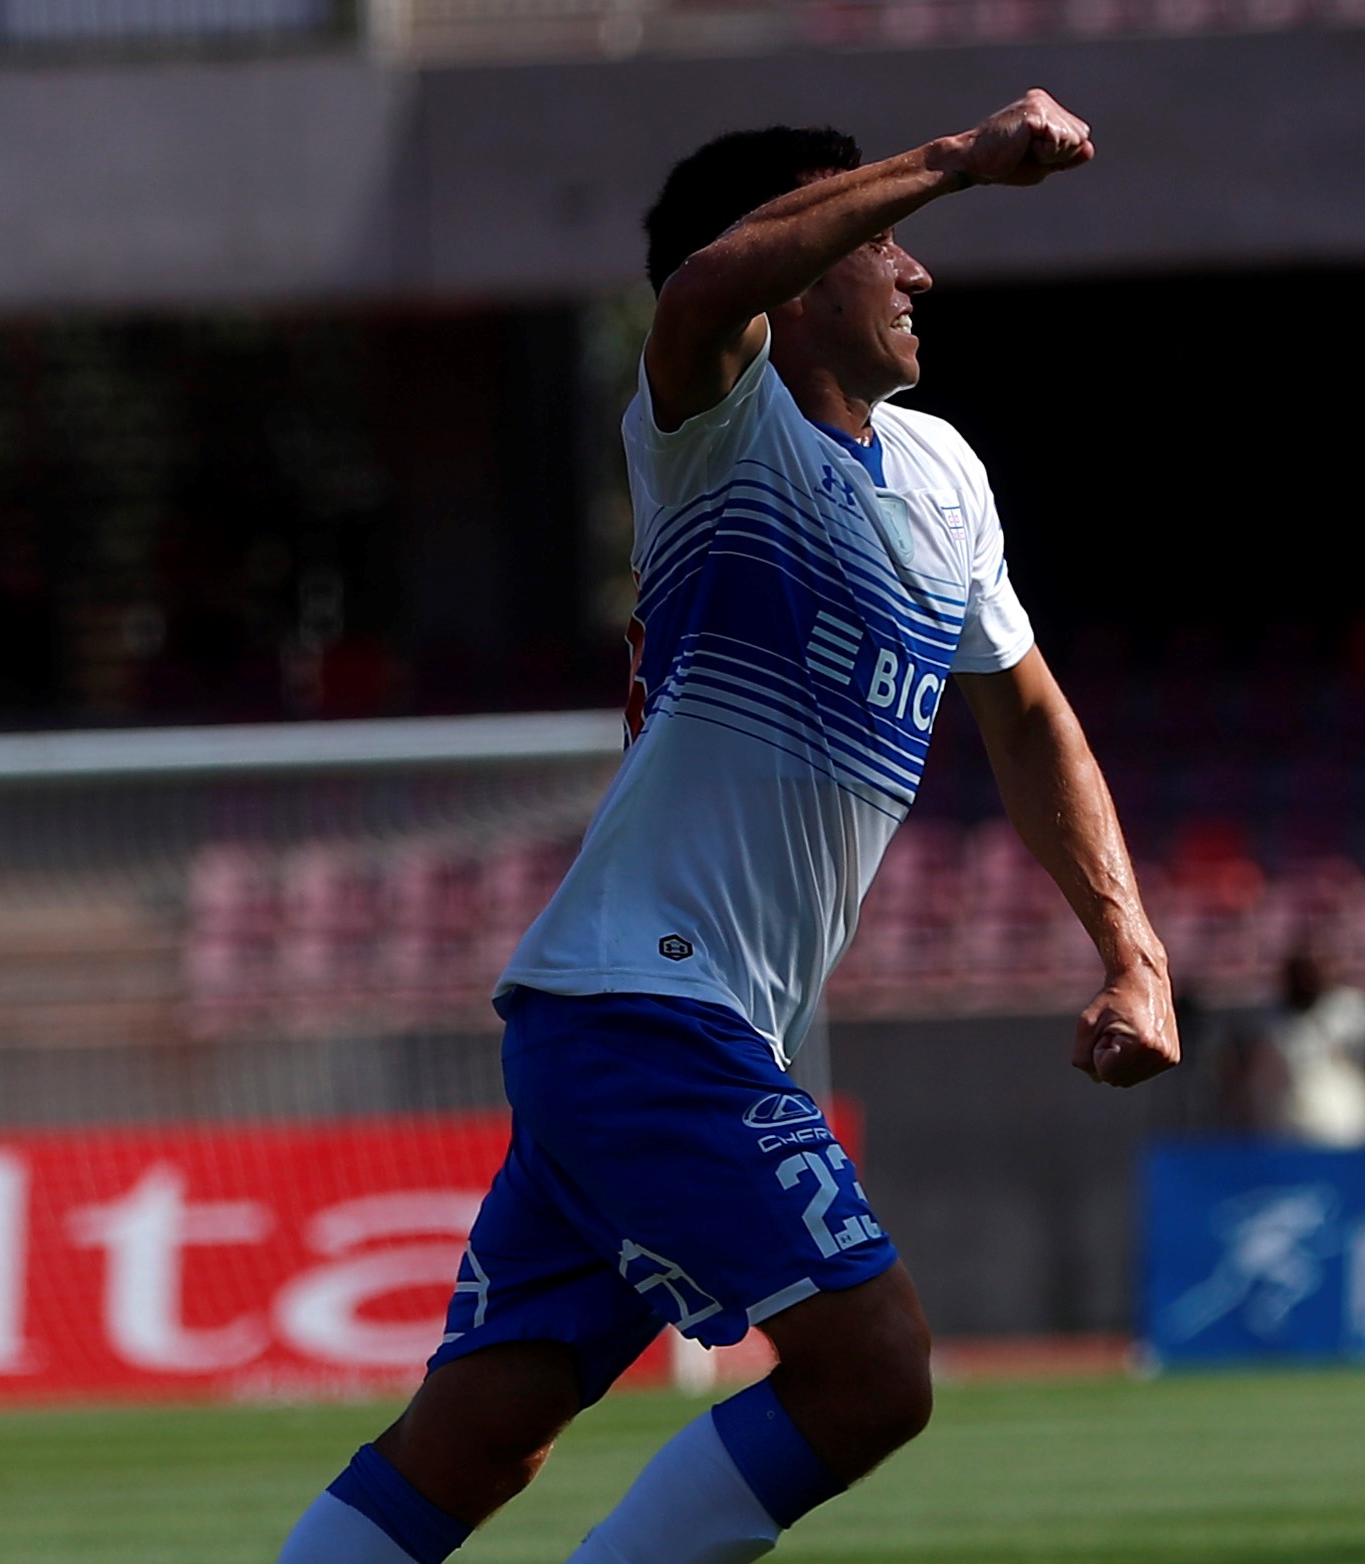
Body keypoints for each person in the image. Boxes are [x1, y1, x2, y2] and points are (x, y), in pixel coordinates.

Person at [275, 90, 1178, 1564]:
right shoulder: (710, 426)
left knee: (485, 1431)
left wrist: (1130, 949)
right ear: (799, 263)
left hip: (650, 1022)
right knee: (873, 1370)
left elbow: (1027, 715)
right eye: (884, 239)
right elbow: (705, 286)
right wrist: (954, 159)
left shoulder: (945, 477)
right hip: (650, 1008)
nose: (917, 269)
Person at [1236, 950, 1365, 1149]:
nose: (1307, 980)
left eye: (1313, 972)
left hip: (1347, 1133)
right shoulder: (1267, 1023)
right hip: (1286, 1137)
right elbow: (1240, 1074)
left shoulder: (1352, 1012)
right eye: (1300, 974)